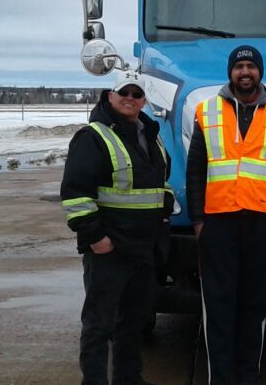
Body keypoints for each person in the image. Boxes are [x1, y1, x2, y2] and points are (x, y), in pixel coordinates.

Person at [186, 45, 266, 385]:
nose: (245, 72)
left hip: (263, 224)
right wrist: (198, 222)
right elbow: (195, 171)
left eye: (251, 66)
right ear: (230, 73)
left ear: (260, 72)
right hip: (218, 224)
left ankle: (247, 378)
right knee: (218, 310)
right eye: (239, 67)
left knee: (254, 310)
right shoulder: (206, 112)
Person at [61, 70, 173, 385]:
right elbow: (75, 193)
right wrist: (96, 238)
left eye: (137, 94)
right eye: (124, 92)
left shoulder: (150, 134)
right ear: (110, 96)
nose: (130, 99)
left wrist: (163, 218)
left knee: (132, 323)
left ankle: (129, 379)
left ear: (144, 100)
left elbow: (157, 185)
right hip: (109, 249)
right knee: (99, 325)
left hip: (141, 249)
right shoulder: (93, 136)